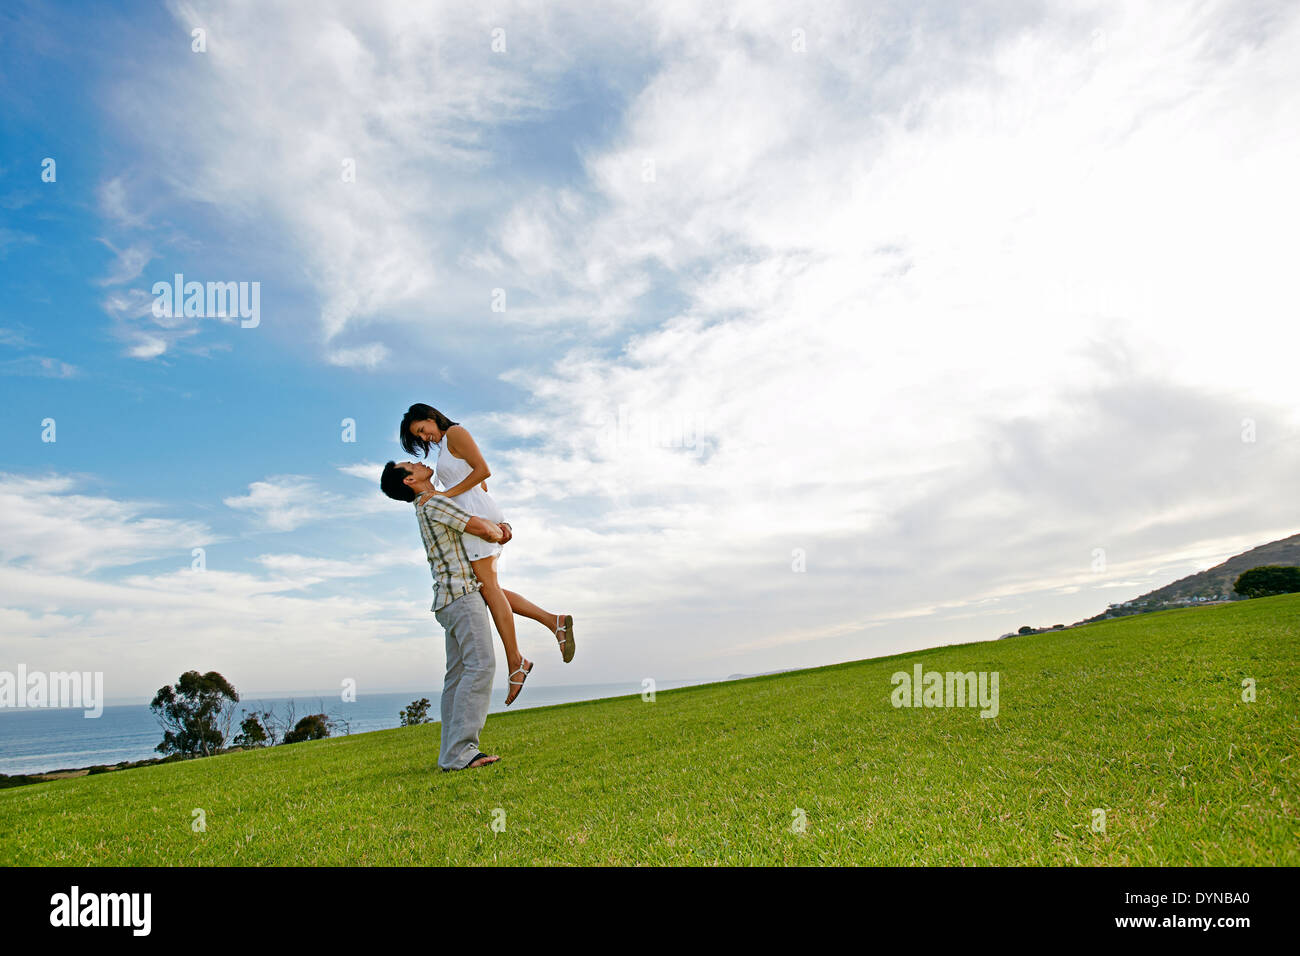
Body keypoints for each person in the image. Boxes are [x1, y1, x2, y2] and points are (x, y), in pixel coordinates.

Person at [399, 403, 575, 707]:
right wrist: (477, 505)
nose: (424, 437)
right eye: (419, 436)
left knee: (489, 589)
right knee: (487, 589)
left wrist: (447, 496)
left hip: (476, 521)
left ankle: (517, 661)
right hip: (476, 518)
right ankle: (552, 622)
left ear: (430, 417)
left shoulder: (455, 432)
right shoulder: (443, 448)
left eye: (422, 430)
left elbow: (484, 470)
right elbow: (478, 482)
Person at [381, 459, 505, 770]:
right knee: (481, 667)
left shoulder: (424, 506)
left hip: (448, 601)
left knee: (458, 677)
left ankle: (451, 755)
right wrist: (503, 531)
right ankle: (462, 752)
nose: (419, 461)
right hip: (462, 597)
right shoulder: (433, 502)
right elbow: (479, 528)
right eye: (411, 464)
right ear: (410, 480)